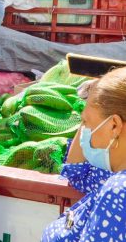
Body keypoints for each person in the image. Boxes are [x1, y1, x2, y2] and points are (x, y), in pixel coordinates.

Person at [42, 67, 126, 242]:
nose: (85, 132)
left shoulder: (118, 190)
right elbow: (77, 173)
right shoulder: (112, 174)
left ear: (114, 126)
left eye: (86, 122)